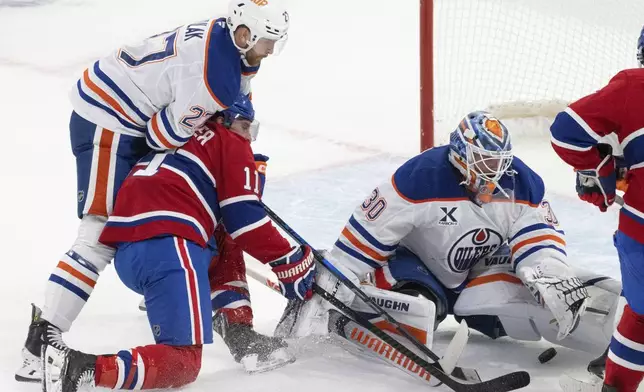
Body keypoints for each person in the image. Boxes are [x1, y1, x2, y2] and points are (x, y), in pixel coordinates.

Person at [17, 0, 290, 382]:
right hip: (109, 119)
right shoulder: (217, 79)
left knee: (157, 202)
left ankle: (167, 292)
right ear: (244, 35)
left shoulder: (225, 40)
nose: (271, 51)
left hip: (120, 100)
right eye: (266, 42)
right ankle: (40, 341)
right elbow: (160, 135)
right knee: (99, 234)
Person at [276, 111, 622, 370]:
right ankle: (355, 316)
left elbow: (536, 235)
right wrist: (335, 279)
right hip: (416, 265)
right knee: (419, 311)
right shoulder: (419, 179)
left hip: (475, 268)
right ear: (460, 155)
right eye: (485, 162)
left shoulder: (522, 183)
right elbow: (366, 236)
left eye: (500, 162)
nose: (494, 172)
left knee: (551, 294)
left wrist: (548, 269)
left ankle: (622, 344)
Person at [41, 96, 316, 392]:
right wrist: (290, 260)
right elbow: (245, 221)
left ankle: (236, 330)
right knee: (182, 363)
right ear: (222, 119)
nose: (248, 136)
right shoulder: (228, 141)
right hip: (171, 249)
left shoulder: (173, 133)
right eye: (245, 125)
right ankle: (84, 369)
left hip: (130, 255)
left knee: (220, 237)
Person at [549, 49, 644, 392]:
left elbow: (565, 132)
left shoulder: (635, 85)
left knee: (640, 317)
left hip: (640, 233)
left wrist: (601, 169)